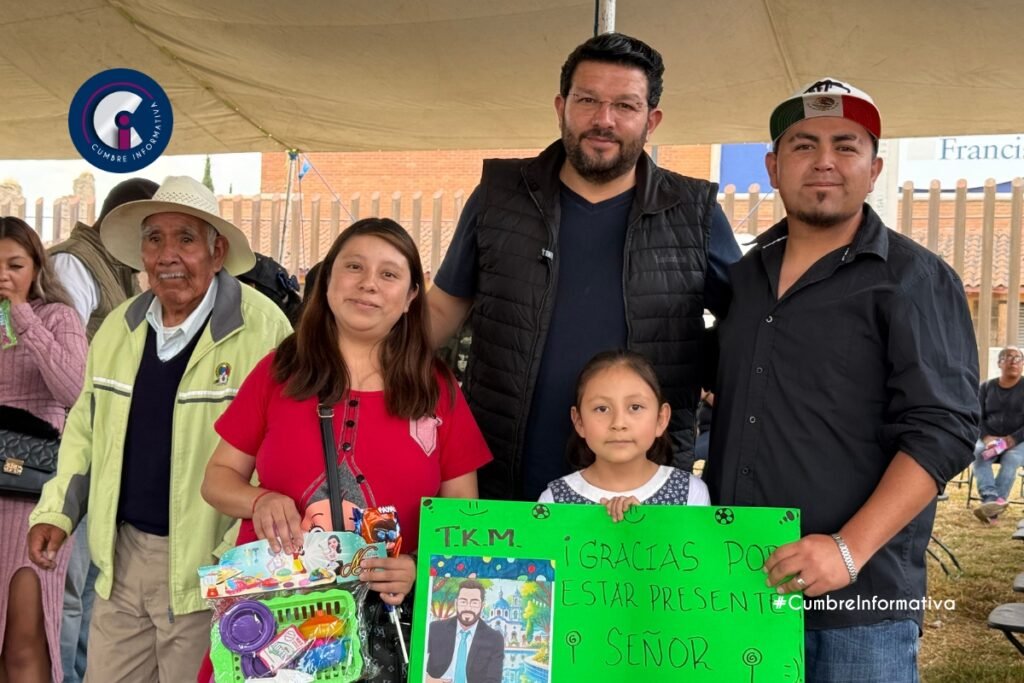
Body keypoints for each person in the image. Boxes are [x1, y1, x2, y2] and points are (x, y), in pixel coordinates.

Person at [703, 78, 979, 681]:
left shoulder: (913, 279)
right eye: (804, 145)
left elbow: (944, 432)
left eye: (845, 145)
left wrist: (848, 550)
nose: (824, 161)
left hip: (859, 605)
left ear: (874, 168)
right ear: (774, 167)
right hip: (741, 582)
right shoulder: (746, 279)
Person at [426, 32, 741, 502]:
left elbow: (749, 327)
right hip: (501, 480)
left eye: (625, 106)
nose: (604, 120)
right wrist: (352, 362)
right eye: (588, 100)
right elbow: (440, 311)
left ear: (651, 120)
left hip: (642, 498)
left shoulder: (694, 213)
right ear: (561, 106)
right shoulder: (500, 196)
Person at [200, 218, 493, 683]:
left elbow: (465, 519)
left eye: (389, 274)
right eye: (353, 266)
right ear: (329, 278)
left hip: (389, 633)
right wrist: (259, 499)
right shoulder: (280, 372)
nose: (368, 285)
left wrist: (417, 567)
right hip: (274, 626)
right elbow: (216, 480)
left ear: (412, 295)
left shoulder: (438, 391)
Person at [26, 176, 292, 683]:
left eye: (186, 239)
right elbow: (85, 429)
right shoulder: (119, 328)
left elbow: (286, 446)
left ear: (217, 252)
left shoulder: (264, 330)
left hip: (214, 566)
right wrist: (58, 511)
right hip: (123, 562)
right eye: (154, 239)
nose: (168, 255)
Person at [48, 176, 158, 683]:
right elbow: (62, 360)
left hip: (109, 447)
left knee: (96, 582)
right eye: (150, 231)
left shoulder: (118, 269)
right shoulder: (74, 263)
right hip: (73, 444)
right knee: (71, 587)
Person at [0, 217, 87, 683]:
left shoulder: (58, 316)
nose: (4, 275)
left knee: (24, 638)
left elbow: (75, 389)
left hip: (33, 494)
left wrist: (24, 318)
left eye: (15, 264)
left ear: (37, 268)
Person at [538, 350, 709, 519]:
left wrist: (642, 527)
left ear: (661, 419)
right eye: (602, 409)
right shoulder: (553, 503)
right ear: (579, 421)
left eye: (635, 407)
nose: (618, 424)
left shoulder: (690, 494)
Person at [971, 346, 1024, 523]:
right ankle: (991, 498)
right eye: (1009, 357)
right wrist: (986, 437)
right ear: (999, 363)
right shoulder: (986, 387)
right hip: (989, 438)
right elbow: (975, 416)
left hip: (1019, 441)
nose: (1014, 362)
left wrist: (1012, 439)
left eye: (1018, 358)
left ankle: (991, 508)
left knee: (1011, 458)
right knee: (978, 453)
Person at [425, 579, 504, 683]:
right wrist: (426, 679)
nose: (468, 607)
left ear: (482, 605)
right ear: (456, 603)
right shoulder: (435, 629)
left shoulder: (494, 639)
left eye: (474, 602)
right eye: (463, 601)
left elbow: (493, 680)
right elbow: (417, 662)